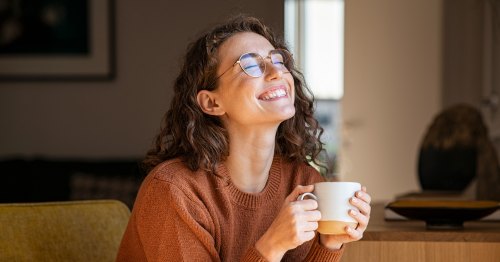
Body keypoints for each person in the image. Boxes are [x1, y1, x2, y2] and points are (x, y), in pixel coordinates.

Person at [116, 15, 371, 262]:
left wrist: (330, 243)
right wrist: (271, 247)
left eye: (278, 60)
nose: (276, 72)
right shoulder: (175, 192)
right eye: (250, 64)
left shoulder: (302, 182)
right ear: (212, 102)